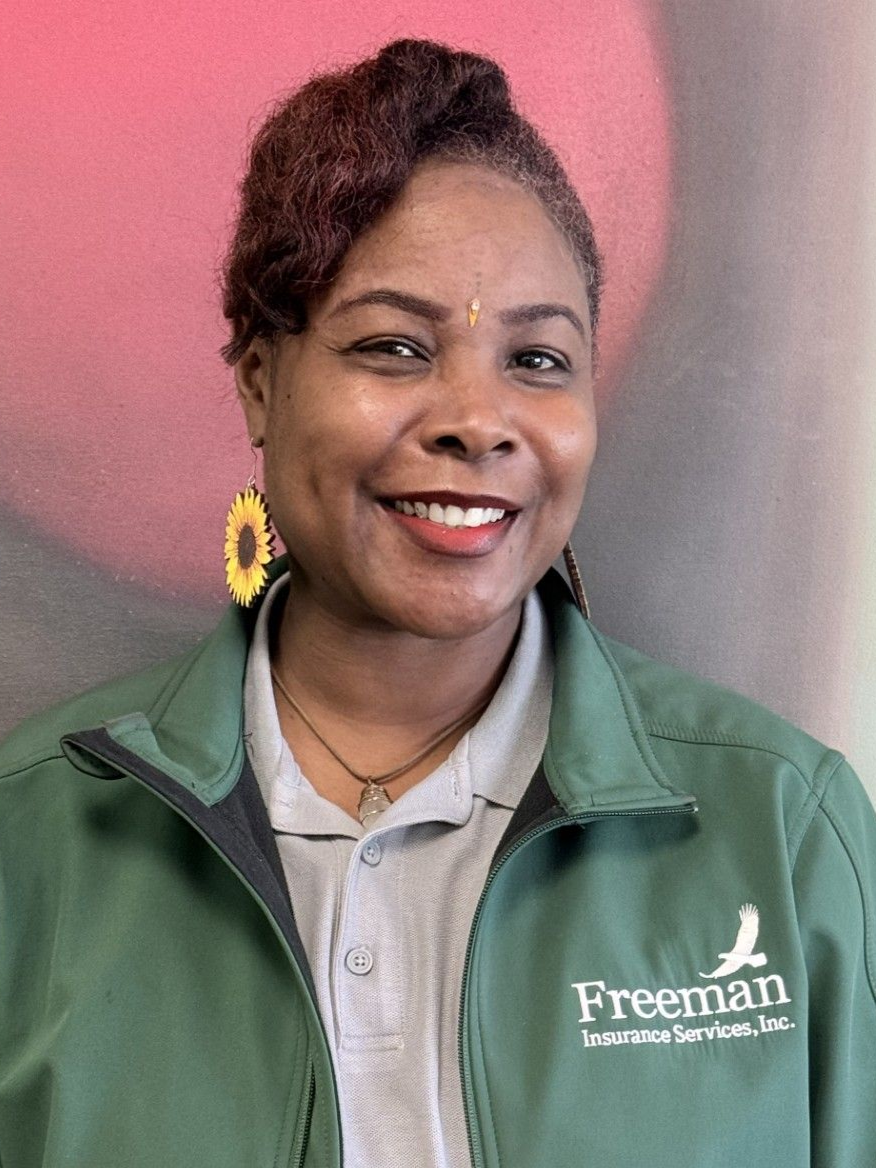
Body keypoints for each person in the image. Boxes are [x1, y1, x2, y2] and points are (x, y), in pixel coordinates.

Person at [0, 37, 873, 1168]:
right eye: (395, 347)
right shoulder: (31, 845)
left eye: (540, 361)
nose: (479, 417)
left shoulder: (785, 828)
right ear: (261, 380)